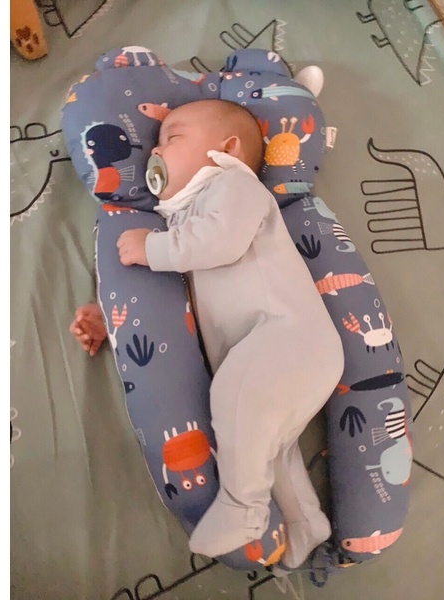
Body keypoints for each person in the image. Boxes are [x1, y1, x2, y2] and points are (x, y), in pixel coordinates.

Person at [70, 99, 344, 569]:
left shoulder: (234, 185)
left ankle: (244, 505)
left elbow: (221, 242)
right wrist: (110, 317)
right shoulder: (184, 222)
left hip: (289, 337)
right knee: (269, 450)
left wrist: (152, 248)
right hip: (275, 351)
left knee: (236, 399)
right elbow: (175, 305)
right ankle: (305, 524)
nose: (155, 151)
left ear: (227, 148)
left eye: (172, 138)